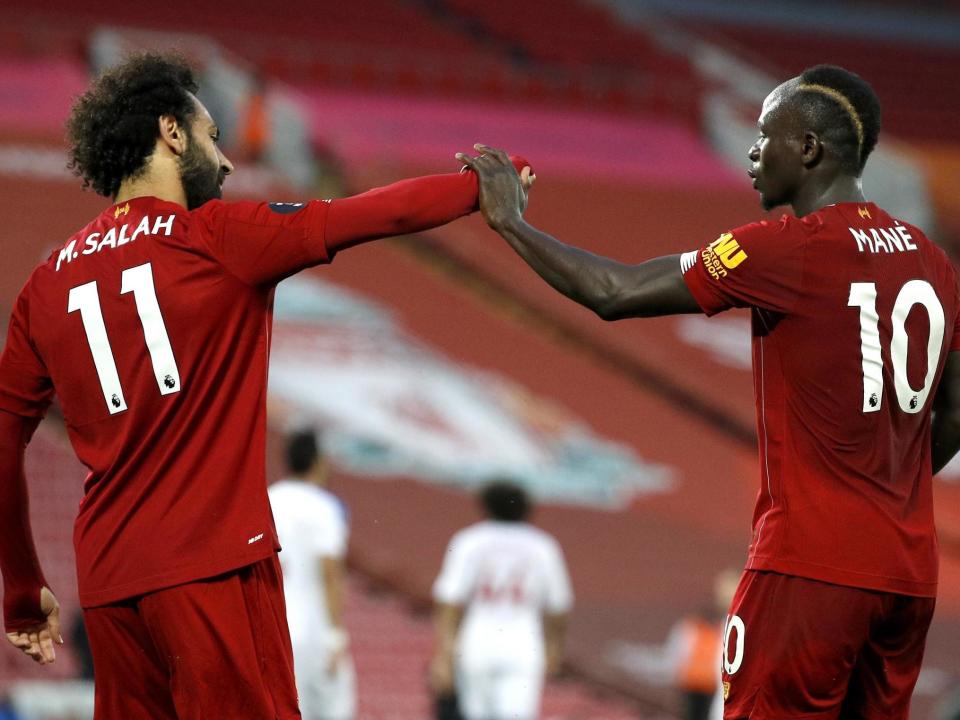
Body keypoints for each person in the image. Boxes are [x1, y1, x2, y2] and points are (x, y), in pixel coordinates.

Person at [0, 52, 530, 719]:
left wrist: (22, 587)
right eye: (211, 136)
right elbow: (370, 216)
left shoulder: (45, 286)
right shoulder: (219, 237)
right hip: (210, 570)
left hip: (109, 588)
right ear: (170, 132)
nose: (222, 163)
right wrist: (480, 187)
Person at [457, 64, 960, 719]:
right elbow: (954, 411)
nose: (753, 154)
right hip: (908, 575)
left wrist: (510, 224)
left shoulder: (786, 249)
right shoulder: (929, 255)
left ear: (807, 149)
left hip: (808, 569)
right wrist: (887, 486)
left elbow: (618, 292)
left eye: (765, 136)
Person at [430, 480, 573, 720]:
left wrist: (443, 654)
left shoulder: (469, 541)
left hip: (477, 642)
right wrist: (554, 648)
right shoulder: (543, 546)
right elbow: (559, 605)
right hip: (523, 645)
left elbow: (449, 601)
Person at [269, 430, 355, 720]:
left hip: (275, 626)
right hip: (313, 629)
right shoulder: (323, 506)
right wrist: (335, 635)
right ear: (318, 461)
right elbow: (330, 570)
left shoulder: (267, 499)